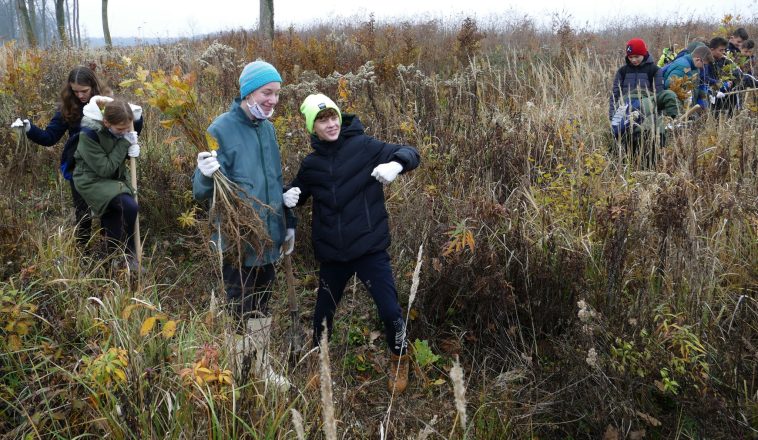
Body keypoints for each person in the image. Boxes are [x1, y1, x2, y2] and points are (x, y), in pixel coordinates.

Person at [285, 93, 421, 393]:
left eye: (333, 116)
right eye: (321, 120)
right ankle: (317, 364)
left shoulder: (365, 147)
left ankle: (399, 358)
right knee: (322, 318)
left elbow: (411, 152)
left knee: (389, 311)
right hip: (332, 256)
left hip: (369, 249)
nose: (331, 124)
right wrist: (288, 195)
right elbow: (299, 191)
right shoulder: (311, 164)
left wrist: (396, 165)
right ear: (312, 127)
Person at [193, 60, 295, 391]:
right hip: (237, 240)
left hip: (268, 237)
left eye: (277, 94)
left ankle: (262, 369)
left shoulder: (268, 129)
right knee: (238, 306)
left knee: (262, 304)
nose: (273, 101)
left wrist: (286, 226)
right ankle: (240, 372)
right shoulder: (219, 130)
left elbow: (274, 184)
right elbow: (200, 191)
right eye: (268, 93)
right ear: (249, 92)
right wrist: (204, 173)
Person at [10, 67, 143, 246]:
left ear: (93, 86)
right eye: (75, 91)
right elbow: (50, 137)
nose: (80, 95)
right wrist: (29, 129)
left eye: (84, 91)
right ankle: (83, 251)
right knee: (83, 212)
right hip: (78, 167)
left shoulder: (106, 104)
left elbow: (124, 128)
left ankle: (109, 251)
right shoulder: (68, 108)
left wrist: (136, 127)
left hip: (109, 161)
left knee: (110, 209)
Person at [73, 99, 141, 269]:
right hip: (91, 180)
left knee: (115, 214)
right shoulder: (88, 135)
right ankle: (128, 252)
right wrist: (125, 143)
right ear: (106, 122)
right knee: (129, 206)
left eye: (127, 129)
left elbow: (126, 128)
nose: (124, 132)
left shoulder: (120, 127)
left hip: (113, 179)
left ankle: (108, 263)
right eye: (120, 129)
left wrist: (130, 146)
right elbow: (105, 168)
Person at [608, 38, 668, 165]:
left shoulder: (654, 70)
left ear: (644, 53)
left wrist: (660, 114)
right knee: (621, 139)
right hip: (624, 110)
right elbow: (615, 94)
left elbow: (660, 94)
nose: (634, 60)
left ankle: (647, 167)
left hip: (646, 111)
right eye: (630, 57)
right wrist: (613, 114)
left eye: (637, 56)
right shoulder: (622, 71)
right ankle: (624, 167)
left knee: (645, 140)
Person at [663, 45, 714, 114]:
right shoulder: (683, 66)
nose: (703, 67)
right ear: (698, 59)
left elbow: (695, 86)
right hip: (676, 107)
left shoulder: (695, 67)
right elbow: (669, 85)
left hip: (689, 106)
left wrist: (703, 96)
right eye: (703, 64)